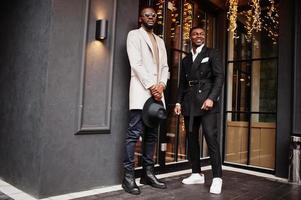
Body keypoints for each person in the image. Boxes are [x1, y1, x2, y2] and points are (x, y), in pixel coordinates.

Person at [122, 6, 169, 195]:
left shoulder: (161, 41)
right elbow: (136, 63)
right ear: (141, 18)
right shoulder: (134, 35)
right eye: (147, 15)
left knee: (151, 136)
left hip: (158, 94)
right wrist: (151, 86)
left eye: (153, 15)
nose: (151, 17)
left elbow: (165, 67)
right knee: (134, 134)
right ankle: (128, 177)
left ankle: (148, 174)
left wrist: (162, 86)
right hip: (142, 92)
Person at [174, 26, 224, 194]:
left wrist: (212, 98)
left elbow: (219, 77)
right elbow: (182, 83)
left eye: (201, 34)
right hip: (189, 102)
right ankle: (196, 173)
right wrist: (178, 102)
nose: (198, 36)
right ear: (190, 37)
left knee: (211, 138)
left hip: (206, 102)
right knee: (192, 139)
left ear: (205, 36)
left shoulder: (212, 53)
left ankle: (217, 177)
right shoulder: (186, 59)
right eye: (195, 34)